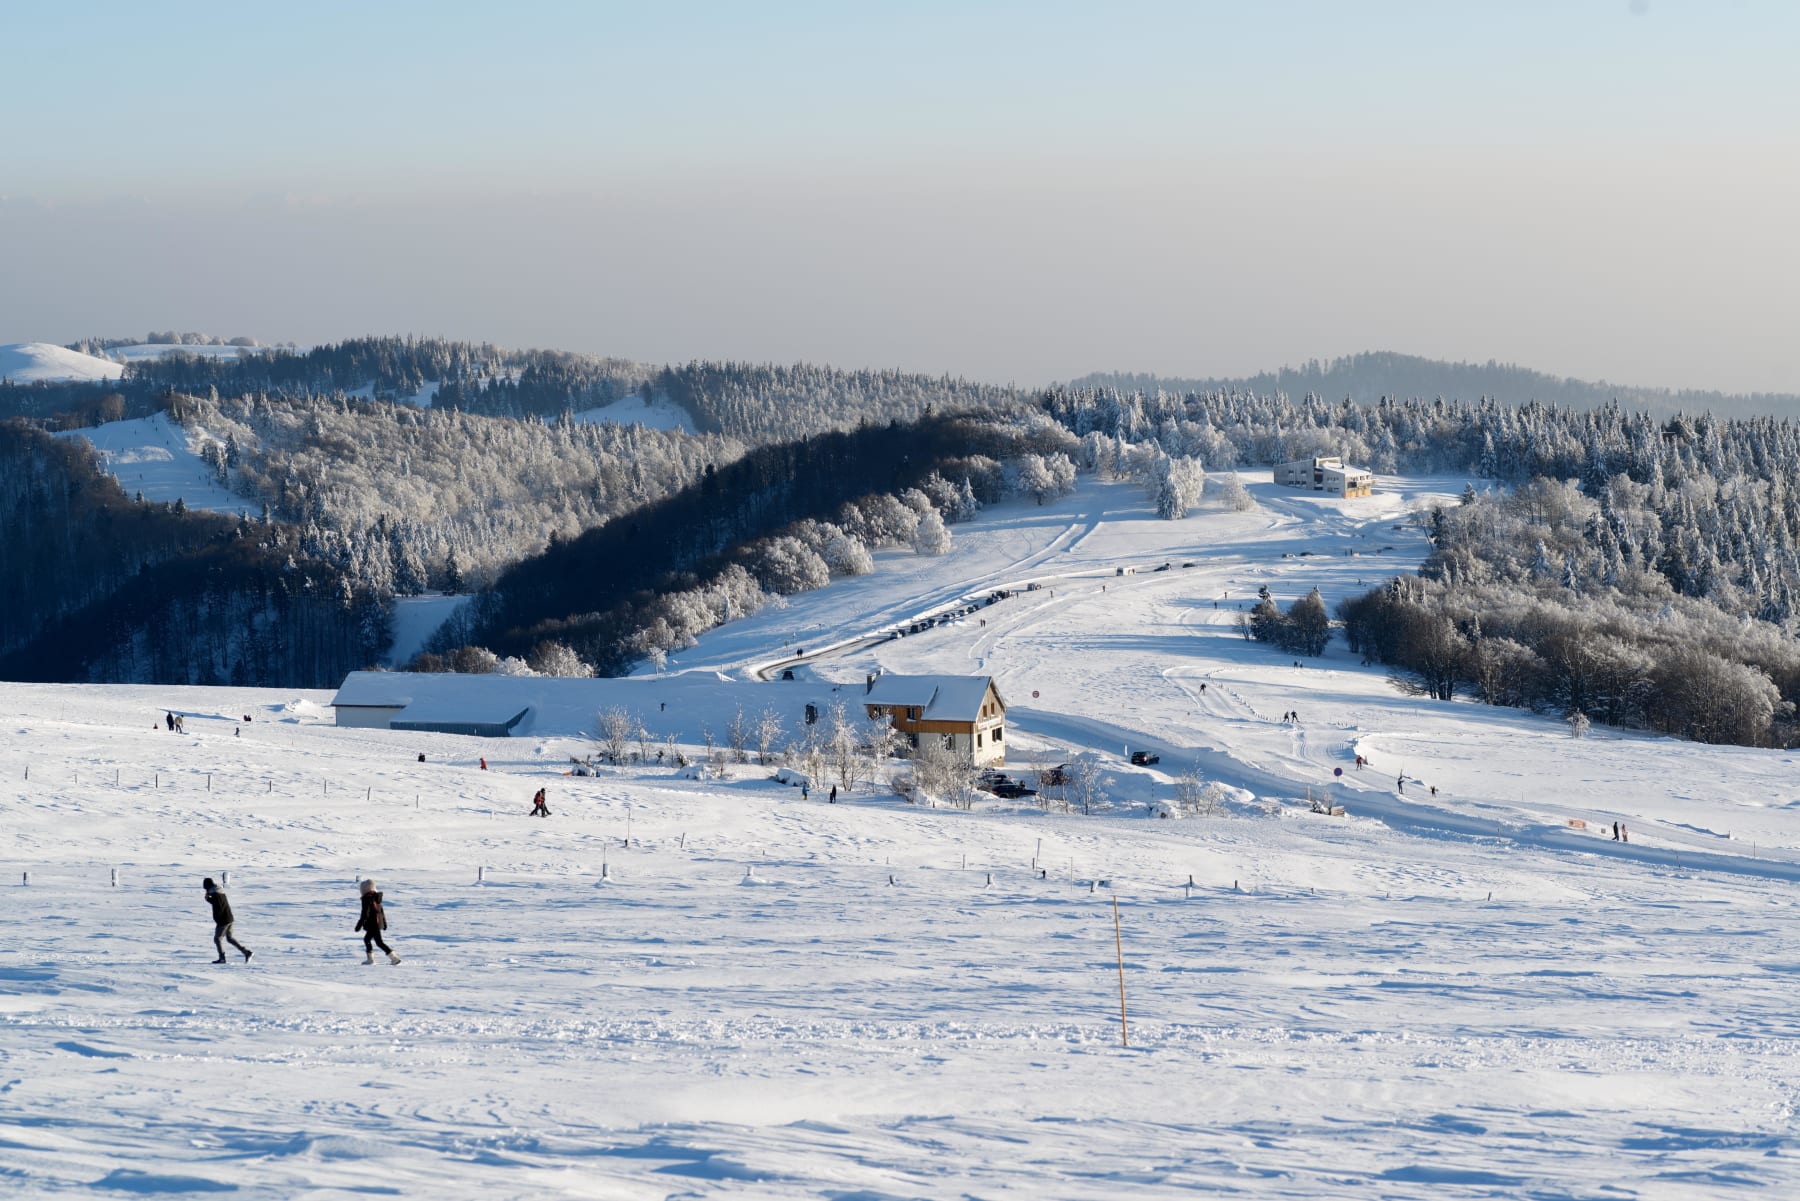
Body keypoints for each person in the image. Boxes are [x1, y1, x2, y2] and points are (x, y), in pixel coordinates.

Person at [203, 877, 252, 964]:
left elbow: (218, 906)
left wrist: (208, 898)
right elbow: (217, 903)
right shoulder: (220, 892)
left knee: (217, 939)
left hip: (223, 920)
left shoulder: (215, 895)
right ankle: (246, 952)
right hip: (229, 918)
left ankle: (222, 958)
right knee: (230, 939)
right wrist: (208, 899)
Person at [356, 879, 400, 964]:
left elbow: (365, 913)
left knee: (377, 942)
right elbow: (381, 912)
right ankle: (372, 959)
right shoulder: (376, 897)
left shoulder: (367, 899)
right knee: (368, 939)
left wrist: (359, 925)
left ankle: (393, 958)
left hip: (372, 924)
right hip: (377, 923)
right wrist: (384, 923)